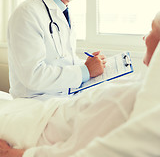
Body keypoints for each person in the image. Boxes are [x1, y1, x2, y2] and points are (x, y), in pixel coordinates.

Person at [1, 11, 160, 157]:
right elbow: (39, 73)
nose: (145, 37)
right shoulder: (140, 86)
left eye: (151, 30)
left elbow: (73, 151)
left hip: (37, 124)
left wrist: (12, 153)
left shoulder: (122, 98)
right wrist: (86, 69)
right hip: (42, 109)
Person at [7, 0, 106, 99]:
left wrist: (88, 64)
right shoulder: (27, 13)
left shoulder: (62, 12)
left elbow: (60, 60)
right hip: (35, 106)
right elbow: (33, 75)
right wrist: (85, 71)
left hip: (61, 100)